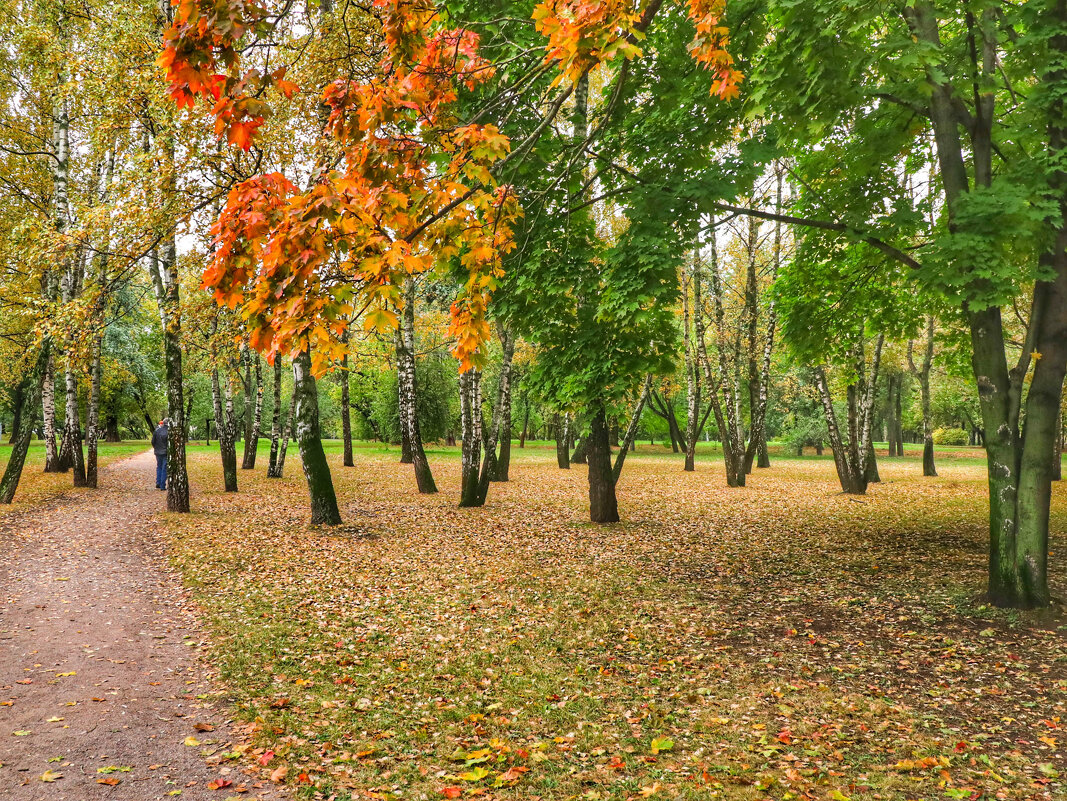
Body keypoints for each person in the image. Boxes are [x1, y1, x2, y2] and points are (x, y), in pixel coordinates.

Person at [152, 419, 169, 491]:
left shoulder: (157, 431)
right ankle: (162, 485)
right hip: (165, 452)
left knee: (159, 467)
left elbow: (153, 441)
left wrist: (156, 448)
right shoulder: (169, 432)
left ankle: (158, 482)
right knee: (164, 468)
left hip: (158, 452)